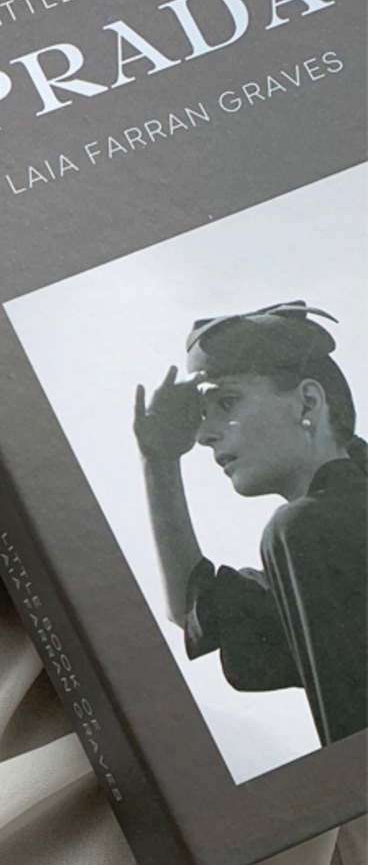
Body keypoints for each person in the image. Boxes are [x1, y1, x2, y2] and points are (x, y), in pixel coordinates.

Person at [133, 301, 367, 746]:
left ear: (308, 402)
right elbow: (197, 612)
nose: (205, 435)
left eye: (227, 402)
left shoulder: (305, 527)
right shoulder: (328, 521)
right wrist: (159, 460)